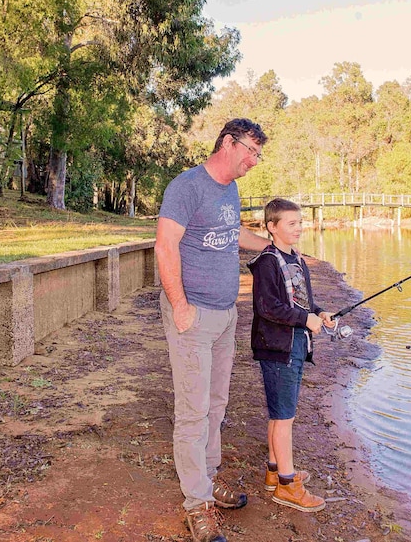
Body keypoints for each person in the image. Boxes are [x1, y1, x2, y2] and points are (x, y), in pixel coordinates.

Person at [155, 118, 272, 542]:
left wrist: (271, 244)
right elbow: (165, 245)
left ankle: (206, 478)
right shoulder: (186, 186)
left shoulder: (230, 189)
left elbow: (231, 232)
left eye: (258, 155)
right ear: (228, 143)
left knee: (217, 404)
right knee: (193, 411)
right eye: (251, 152)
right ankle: (197, 504)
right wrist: (181, 307)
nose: (254, 161)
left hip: (225, 315)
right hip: (194, 315)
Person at [247, 198, 335, 512]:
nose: (299, 228)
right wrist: (304, 320)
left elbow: (301, 302)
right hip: (277, 347)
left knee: (279, 414)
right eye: (291, 223)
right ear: (272, 227)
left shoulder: (294, 258)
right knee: (285, 419)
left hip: (294, 344)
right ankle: (287, 484)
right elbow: (268, 308)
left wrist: (319, 313)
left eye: (300, 222)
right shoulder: (268, 262)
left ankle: (274, 473)